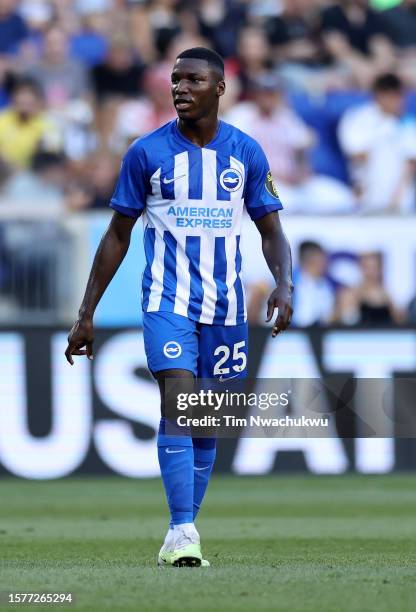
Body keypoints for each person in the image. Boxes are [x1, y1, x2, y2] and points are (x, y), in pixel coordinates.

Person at [64, 47, 293, 567]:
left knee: (209, 421)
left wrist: (284, 284)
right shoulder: (146, 153)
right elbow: (117, 234)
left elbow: (271, 230)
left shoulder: (247, 153)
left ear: (219, 89)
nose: (180, 88)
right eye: (175, 80)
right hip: (166, 300)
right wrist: (86, 312)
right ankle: (183, 530)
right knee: (180, 399)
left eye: (193, 80)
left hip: (227, 304)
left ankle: (182, 526)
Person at [338, 73, 416, 214]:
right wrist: (383, 133)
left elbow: (411, 161)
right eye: (396, 96)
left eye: (402, 96)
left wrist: (398, 196)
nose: (401, 101)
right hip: (367, 196)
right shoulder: (358, 118)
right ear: (381, 95)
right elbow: (356, 154)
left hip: (400, 200)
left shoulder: (407, 123)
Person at [291, 240, 335, 327]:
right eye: (320, 259)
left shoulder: (325, 285)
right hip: (289, 333)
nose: (325, 263)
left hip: (315, 332)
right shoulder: (288, 280)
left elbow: (325, 315)